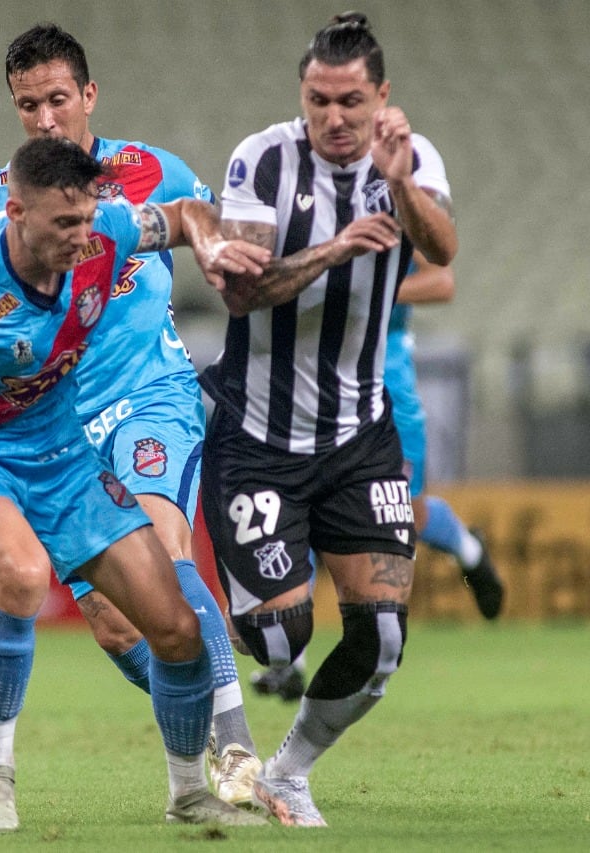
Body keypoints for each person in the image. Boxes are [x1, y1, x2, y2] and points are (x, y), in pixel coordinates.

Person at [0, 136, 270, 831]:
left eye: (86, 222)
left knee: (173, 625)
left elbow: (187, 212)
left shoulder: (104, 225)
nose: (81, 240)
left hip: (60, 446)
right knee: (22, 572)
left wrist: (212, 244)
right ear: (15, 211)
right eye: (62, 226)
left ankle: (188, 791)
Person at [0, 23, 263, 807]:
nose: (47, 118)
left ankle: (239, 749)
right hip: (62, 429)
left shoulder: (150, 171)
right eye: (30, 105)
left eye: (59, 98)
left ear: (89, 95)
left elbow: (218, 231)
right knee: (117, 622)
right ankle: (193, 723)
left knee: (165, 551)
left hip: (149, 397)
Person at [199, 12, 457, 827]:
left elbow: (443, 252)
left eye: (351, 100)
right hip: (258, 438)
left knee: (381, 639)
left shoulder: (410, 158)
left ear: (382, 96)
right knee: (278, 642)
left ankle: (288, 770)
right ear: (301, 96)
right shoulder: (261, 159)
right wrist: (337, 249)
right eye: (319, 100)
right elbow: (242, 291)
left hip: (359, 436)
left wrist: (401, 180)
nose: (335, 118)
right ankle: (198, 656)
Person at [249, 252, 506, 702]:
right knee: (303, 508)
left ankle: (469, 548)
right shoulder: (307, 201)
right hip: (318, 384)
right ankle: (291, 661)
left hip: (387, 385)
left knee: (405, 512)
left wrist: (371, 291)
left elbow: (441, 282)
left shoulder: (392, 209)